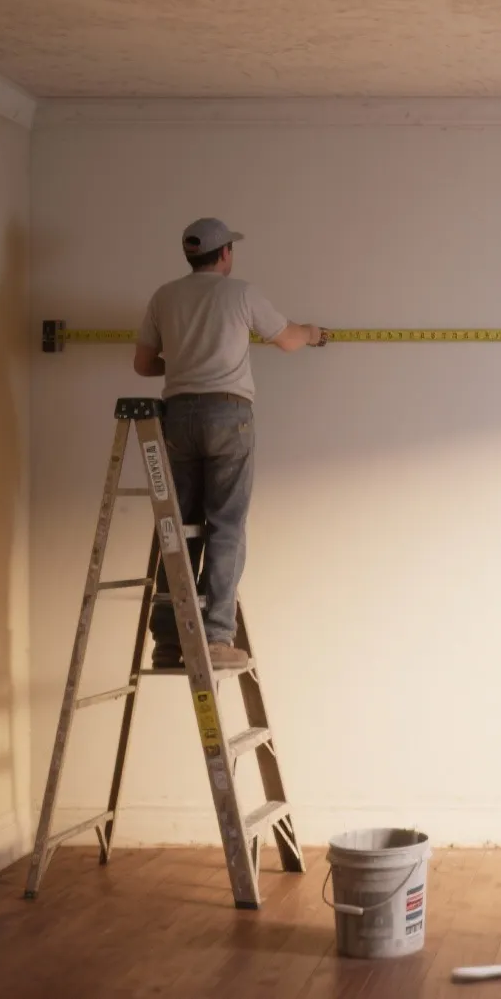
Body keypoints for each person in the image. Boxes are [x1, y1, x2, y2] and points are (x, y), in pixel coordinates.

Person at [133, 217, 326, 670]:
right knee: (227, 525)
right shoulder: (242, 294)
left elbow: (143, 364)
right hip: (227, 416)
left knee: (177, 527)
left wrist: (188, 362)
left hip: (178, 417)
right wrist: (314, 333)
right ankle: (217, 638)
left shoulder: (164, 296)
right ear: (224, 254)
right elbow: (289, 341)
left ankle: (166, 639)